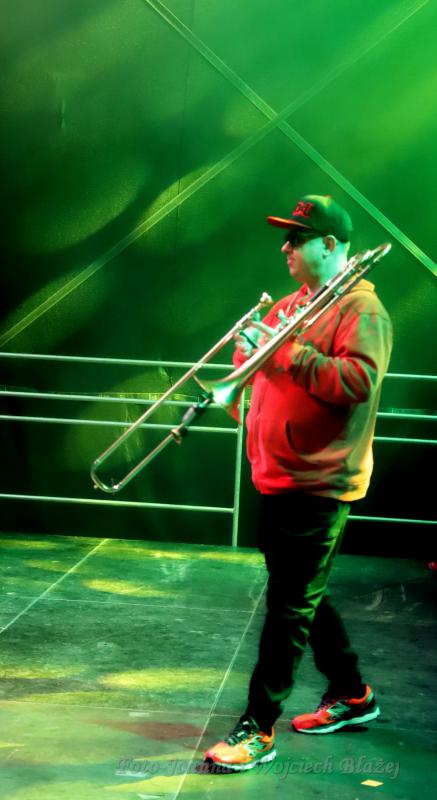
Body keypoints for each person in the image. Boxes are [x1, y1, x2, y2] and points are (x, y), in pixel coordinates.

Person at [203, 194, 393, 772]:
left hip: (320, 480)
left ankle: (258, 727)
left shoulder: (361, 309)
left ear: (331, 245)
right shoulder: (292, 305)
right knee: (302, 591)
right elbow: (268, 375)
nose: (285, 247)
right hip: (278, 473)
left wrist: (285, 351)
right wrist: (247, 365)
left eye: (297, 238)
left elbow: (355, 381)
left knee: (289, 605)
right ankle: (352, 694)